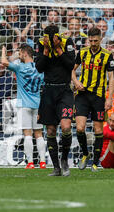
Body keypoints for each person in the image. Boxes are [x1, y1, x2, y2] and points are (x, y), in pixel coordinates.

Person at [71, 27, 114, 172]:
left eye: (96, 40)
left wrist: (109, 98)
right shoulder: (83, 52)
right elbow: (71, 69)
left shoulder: (107, 56)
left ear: (101, 39)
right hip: (82, 95)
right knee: (79, 128)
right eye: (90, 40)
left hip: (98, 97)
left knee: (98, 130)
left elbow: (111, 78)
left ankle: (96, 163)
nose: (93, 43)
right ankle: (85, 153)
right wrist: (76, 82)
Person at [35, 24, 76, 176]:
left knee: (65, 127)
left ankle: (64, 160)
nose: (47, 40)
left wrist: (59, 49)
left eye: (49, 37)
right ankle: (56, 167)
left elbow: (71, 65)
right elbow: (39, 68)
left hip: (64, 90)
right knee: (51, 130)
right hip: (48, 91)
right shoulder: (40, 43)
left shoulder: (67, 42)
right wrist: (45, 51)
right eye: (45, 36)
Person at [1, 44, 46, 169]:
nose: (19, 56)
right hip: (37, 104)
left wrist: (3, 51)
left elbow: (3, 62)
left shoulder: (19, 67)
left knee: (27, 134)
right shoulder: (40, 69)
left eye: (20, 53)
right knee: (39, 134)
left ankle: (30, 163)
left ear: (25, 54)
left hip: (24, 104)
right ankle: (42, 162)